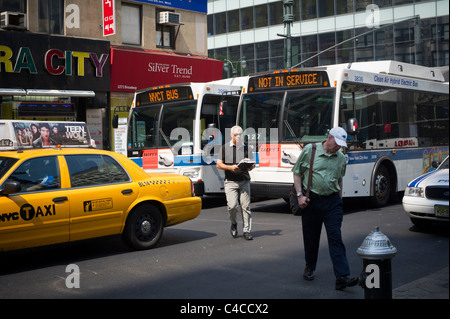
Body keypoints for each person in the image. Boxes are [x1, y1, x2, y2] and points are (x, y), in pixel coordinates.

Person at [292, 127, 358, 290]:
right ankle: (310, 267)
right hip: (312, 201)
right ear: (329, 138)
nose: (339, 147)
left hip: (332, 202)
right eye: (337, 143)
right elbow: (297, 172)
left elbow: (340, 180)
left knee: (335, 237)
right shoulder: (310, 150)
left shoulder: (341, 158)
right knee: (311, 238)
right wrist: (299, 195)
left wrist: (340, 202)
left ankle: (342, 276)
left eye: (342, 145)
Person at [217, 125, 255, 240]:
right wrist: (230, 168)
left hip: (244, 180)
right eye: (236, 135)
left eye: (240, 135)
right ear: (231, 135)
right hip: (230, 182)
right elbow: (219, 164)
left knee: (246, 206)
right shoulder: (224, 148)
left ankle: (246, 231)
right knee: (232, 206)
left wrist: (250, 166)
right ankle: (234, 223)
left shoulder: (247, 148)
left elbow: (253, 163)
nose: (238, 137)